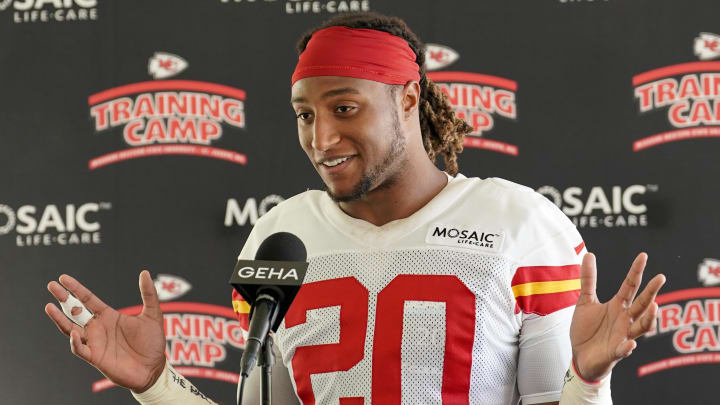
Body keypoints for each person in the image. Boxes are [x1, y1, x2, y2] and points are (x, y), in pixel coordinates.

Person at [45, 12, 665, 405]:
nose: (321, 139)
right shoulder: (280, 235)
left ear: (408, 98)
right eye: (305, 115)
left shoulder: (519, 224)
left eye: (345, 108)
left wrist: (587, 379)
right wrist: (156, 385)